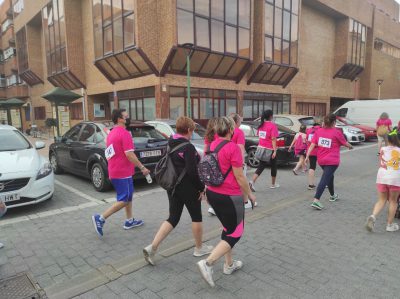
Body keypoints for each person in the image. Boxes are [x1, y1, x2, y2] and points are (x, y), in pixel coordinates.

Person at [143, 116, 212, 265]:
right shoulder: (188, 147)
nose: (193, 133)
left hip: (173, 186)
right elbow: (193, 172)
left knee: (173, 218)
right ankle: (199, 248)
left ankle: (152, 247)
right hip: (188, 187)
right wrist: (201, 188)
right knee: (196, 217)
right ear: (188, 130)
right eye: (192, 130)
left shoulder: (170, 142)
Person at [197, 117, 256, 288]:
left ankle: (228, 265)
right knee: (236, 232)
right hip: (230, 196)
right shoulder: (233, 148)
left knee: (227, 228)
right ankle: (208, 263)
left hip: (213, 194)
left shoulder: (213, 144)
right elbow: (239, 176)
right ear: (231, 129)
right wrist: (250, 194)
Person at [92, 109, 150, 237]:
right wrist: (142, 168)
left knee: (128, 196)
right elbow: (129, 154)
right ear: (119, 119)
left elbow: (111, 152)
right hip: (122, 172)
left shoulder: (111, 133)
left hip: (117, 170)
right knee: (124, 199)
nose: (128, 118)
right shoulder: (124, 133)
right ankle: (100, 218)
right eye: (126, 116)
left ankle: (129, 221)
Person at [305, 114, 353, 210]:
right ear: (334, 122)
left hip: (321, 160)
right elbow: (345, 143)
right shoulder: (337, 132)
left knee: (330, 176)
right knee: (325, 178)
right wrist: (351, 146)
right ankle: (316, 200)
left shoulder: (318, 131)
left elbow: (312, 145)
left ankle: (332, 195)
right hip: (332, 161)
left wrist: (307, 156)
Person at [366, 129, 400, 232]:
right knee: (393, 201)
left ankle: (373, 216)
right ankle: (389, 225)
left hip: (382, 177)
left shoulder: (382, 149)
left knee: (381, 200)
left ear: (388, 140)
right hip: (395, 178)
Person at [229, 113, 257, 209]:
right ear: (236, 122)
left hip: (224, 159)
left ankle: (213, 206)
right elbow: (240, 147)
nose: (241, 122)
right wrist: (242, 161)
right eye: (240, 121)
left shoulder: (223, 131)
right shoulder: (239, 132)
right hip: (235, 160)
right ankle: (245, 202)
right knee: (242, 180)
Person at [249, 109, 279, 191]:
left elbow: (260, 136)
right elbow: (273, 139)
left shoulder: (261, 125)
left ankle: (252, 182)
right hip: (270, 149)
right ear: (271, 116)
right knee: (273, 166)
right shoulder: (273, 126)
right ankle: (273, 184)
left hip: (261, 148)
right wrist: (275, 150)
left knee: (261, 166)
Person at [204, 117, 219, 216]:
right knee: (218, 185)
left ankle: (212, 206)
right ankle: (215, 207)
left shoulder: (207, 136)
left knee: (209, 186)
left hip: (208, 162)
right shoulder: (218, 135)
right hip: (216, 162)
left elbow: (205, 150)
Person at [305, 122, 321, 190]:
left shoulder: (308, 130)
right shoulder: (321, 130)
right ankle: (326, 183)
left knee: (312, 167)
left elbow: (306, 140)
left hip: (311, 151)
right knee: (325, 167)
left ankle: (310, 185)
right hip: (320, 151)